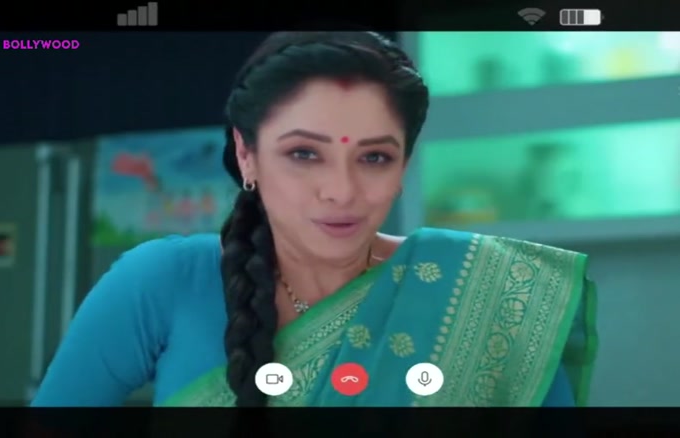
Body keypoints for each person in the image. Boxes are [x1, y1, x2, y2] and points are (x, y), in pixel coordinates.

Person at [31, 31, 597, 408]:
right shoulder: (165, 281)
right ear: (247, 155)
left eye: (374, 157)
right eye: (304, 153)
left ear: (404, 165)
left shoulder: (493, 291)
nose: (341, 191)